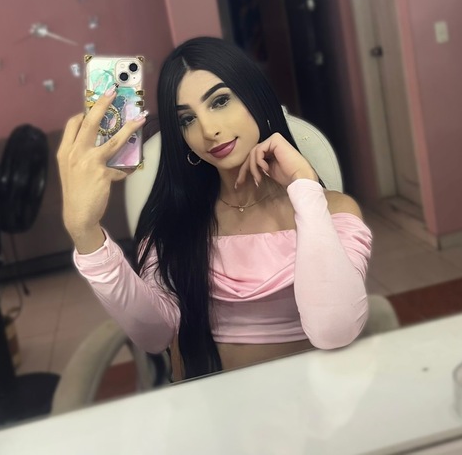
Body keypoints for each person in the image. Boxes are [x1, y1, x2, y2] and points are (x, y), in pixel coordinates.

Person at [58, 37, 372, 381]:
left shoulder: (333, 210)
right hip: (210, 404)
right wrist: (86, 233)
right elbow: (155, 336)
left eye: (220, 101)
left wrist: (303, 185)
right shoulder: (174, 221)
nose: (209, 131)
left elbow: (334, 330)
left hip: (316, 399)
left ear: (256, 97)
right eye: (186, 119)